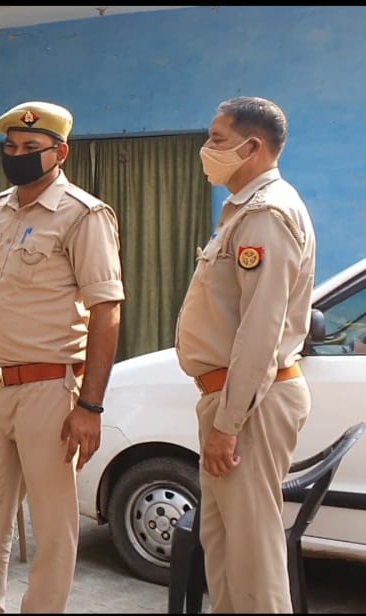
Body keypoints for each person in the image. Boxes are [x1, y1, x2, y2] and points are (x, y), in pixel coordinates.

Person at [0, 101, 124, 613]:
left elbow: (107, 311)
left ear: (60, 153)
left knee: (53, 520)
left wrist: (90, 406)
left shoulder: (83, 215)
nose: (17, 157)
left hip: (51, 389)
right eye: (11, 148)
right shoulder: (0, 208)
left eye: (31, 149)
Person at [175, 96, 316, 613]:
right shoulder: (243, 212)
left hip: (250, 404)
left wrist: (229, 424)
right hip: (236, 399)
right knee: (225, 544)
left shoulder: (267, 215)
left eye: (216, 138)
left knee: (253, 555)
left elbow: (261, 330)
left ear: (251, 147)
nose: (206, 148)